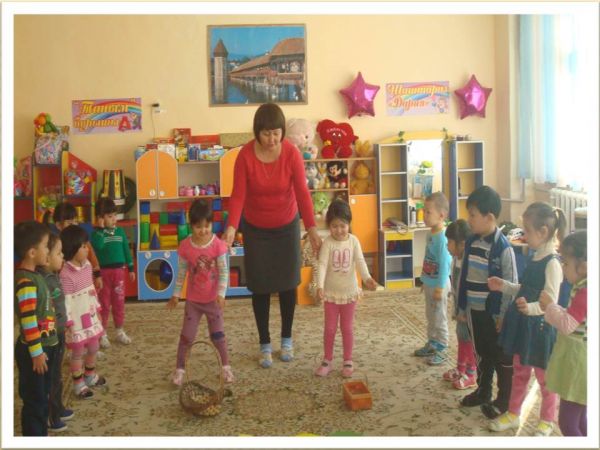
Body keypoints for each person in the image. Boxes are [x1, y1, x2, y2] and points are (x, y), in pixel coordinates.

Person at [222, 103, 321, 368]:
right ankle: (264, 343)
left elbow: (302, 192)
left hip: (287, 227)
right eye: (266, 134)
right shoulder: (245, 155)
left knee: (288, 284)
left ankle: (286, 339)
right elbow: (238, 195)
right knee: (261, 286)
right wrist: (231, 227)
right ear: (257, 132)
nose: (272, 139)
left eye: (276, 133)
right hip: (256, 230)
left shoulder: (291, 153)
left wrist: (311, 228)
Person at [487, 202, 566, 435]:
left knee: (545, 379)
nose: (524, 236)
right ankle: (513, 413)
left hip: (541, 329)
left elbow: (550, 303)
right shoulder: (535, 255)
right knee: (520, 372)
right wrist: (505, 286)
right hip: (524, 326)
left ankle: (547, 420)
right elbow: (525, 289)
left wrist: (529, 308)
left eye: (527, 231)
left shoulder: (553, 263)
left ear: (543, 232)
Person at [457, 185, 517, 419]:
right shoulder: (471, 242)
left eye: (473, 215)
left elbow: (510, 284)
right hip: (473, 310)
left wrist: (503, 315)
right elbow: (463, 276)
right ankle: (483, 390)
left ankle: (503, 400)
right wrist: (461, 306)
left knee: (498, 354)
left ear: (489, 217)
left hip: (493, 314)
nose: (469, 220)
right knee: (481, 351)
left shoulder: (503, 248)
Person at [167, 199, 233, 385]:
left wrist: (221, 294)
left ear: (212, 224)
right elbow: (181, 273)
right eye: (198, 227)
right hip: (193, 302)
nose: (203, 230)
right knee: (186, 337)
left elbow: (224, 271)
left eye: (207, 226)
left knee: (218, 336)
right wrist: (176, 294)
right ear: (191, 225)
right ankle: (180, 369)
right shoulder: (185, 247)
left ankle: (226, 367)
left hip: (213, 301)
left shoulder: (218, 245)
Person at [313, 199, 377, 377]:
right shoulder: (327, 243)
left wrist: (367, 278)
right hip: (331, 295)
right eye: (334, 226)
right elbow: (322, 265)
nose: (339, 230)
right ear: (329, 226)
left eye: (343, 226)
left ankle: (348, 360)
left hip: (349, 294)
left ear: (349, 223)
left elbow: (360, 262)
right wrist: (319, 286)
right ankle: (327, 360)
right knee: (330, 329)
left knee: (347, 328)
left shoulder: (354, 241)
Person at [14, 221, 59, 436]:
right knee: (35, 401)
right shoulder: (26, 281)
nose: (48, 251)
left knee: (43, 396)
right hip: (35, 351)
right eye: (45, 246)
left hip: (43, 348)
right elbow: (28, 320)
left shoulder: (35, 274)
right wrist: (37, 353)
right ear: (32, 252)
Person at [541, 231, 587, 436]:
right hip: (580, 361)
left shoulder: (585, 291)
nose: (562, 267)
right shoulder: (583, 286)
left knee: (568, 423)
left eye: (566, 263)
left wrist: (550, 306)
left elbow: (568, 325)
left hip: (579, 364)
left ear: (584, 266)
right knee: (581, 419)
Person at [60, 225, 106, 399]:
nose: (88, 249)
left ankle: (90, 375)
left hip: (90, 315)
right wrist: (69, 323)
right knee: (78, 352)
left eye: (87, 245)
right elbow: (66, 302)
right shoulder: (65, 274)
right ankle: (78, 383)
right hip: (76, 322)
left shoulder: (87, 266)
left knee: (94, 346)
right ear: (72, 248)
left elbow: (91, 290)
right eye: (83, 246)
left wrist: (98, 310)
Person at [37, 233, 74, 432]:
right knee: (50, 376)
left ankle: (57, 407)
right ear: (46, 257)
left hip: (58, 332)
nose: (63, 257)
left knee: (57, 373)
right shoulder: (42, 280)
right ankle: (51, 416)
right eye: (59, 253)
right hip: (48, 337)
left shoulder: (55, 275)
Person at [413, 192, 452, 365]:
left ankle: (442, 347)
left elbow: (444, 264)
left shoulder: (442, 238)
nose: (424, 215)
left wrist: (440, 287)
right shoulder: (430, 234)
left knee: (439, 316)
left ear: (441, 215)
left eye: (428, 212)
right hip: (430, 282)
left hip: (439, 284)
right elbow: (428, 258)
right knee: (430, 315)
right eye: (424, 211)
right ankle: (432, 343)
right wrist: (424, 279)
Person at [91, 197, 135, 348]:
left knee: (119, 303)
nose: (114, 219)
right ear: (100, 218)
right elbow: (99, 247)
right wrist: (101, 229)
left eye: (115, 215)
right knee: (103, 304)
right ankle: (102, 333)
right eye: (110, 216)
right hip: (103, 274)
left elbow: (126, 250)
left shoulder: (120, 232)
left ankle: (119, 330)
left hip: (119, 273)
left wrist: (131, 268)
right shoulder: (97, 234)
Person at [442, 219, 477, 390]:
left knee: (469, 340)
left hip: (468, 310)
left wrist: (465, 310)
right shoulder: (455, 259)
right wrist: (456, 309)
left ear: (462, 244)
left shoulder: (470, 262)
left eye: (450, 242)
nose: (447, 246)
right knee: (461, 337)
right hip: (459, 307)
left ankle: (471, 374)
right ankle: (460, 368)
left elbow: (470, 289)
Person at [43, 201, 103, 291]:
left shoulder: (82, 239)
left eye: (76, 222)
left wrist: (98, 275)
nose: (74, 225)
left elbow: (92, 257)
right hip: (67, 285)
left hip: (85, 284)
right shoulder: (57, 244)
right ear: (58, 225)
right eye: (70, 223)